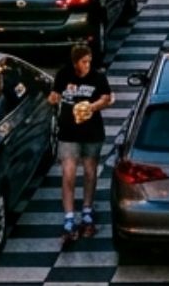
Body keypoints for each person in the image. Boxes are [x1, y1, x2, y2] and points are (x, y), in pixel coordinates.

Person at [48, 43, 113, 241]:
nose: (87, 65)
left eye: (89, 61)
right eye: (84, 62)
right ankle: (69, 217)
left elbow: (106, 98)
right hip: (68, 132)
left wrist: (91, 107)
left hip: (91, 132)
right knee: (68, 172)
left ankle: (87, 210)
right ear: (75, 62)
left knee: (90, 171)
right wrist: (53, 98)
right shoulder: (63, 75)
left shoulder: (97, 77)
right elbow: (54, 95)